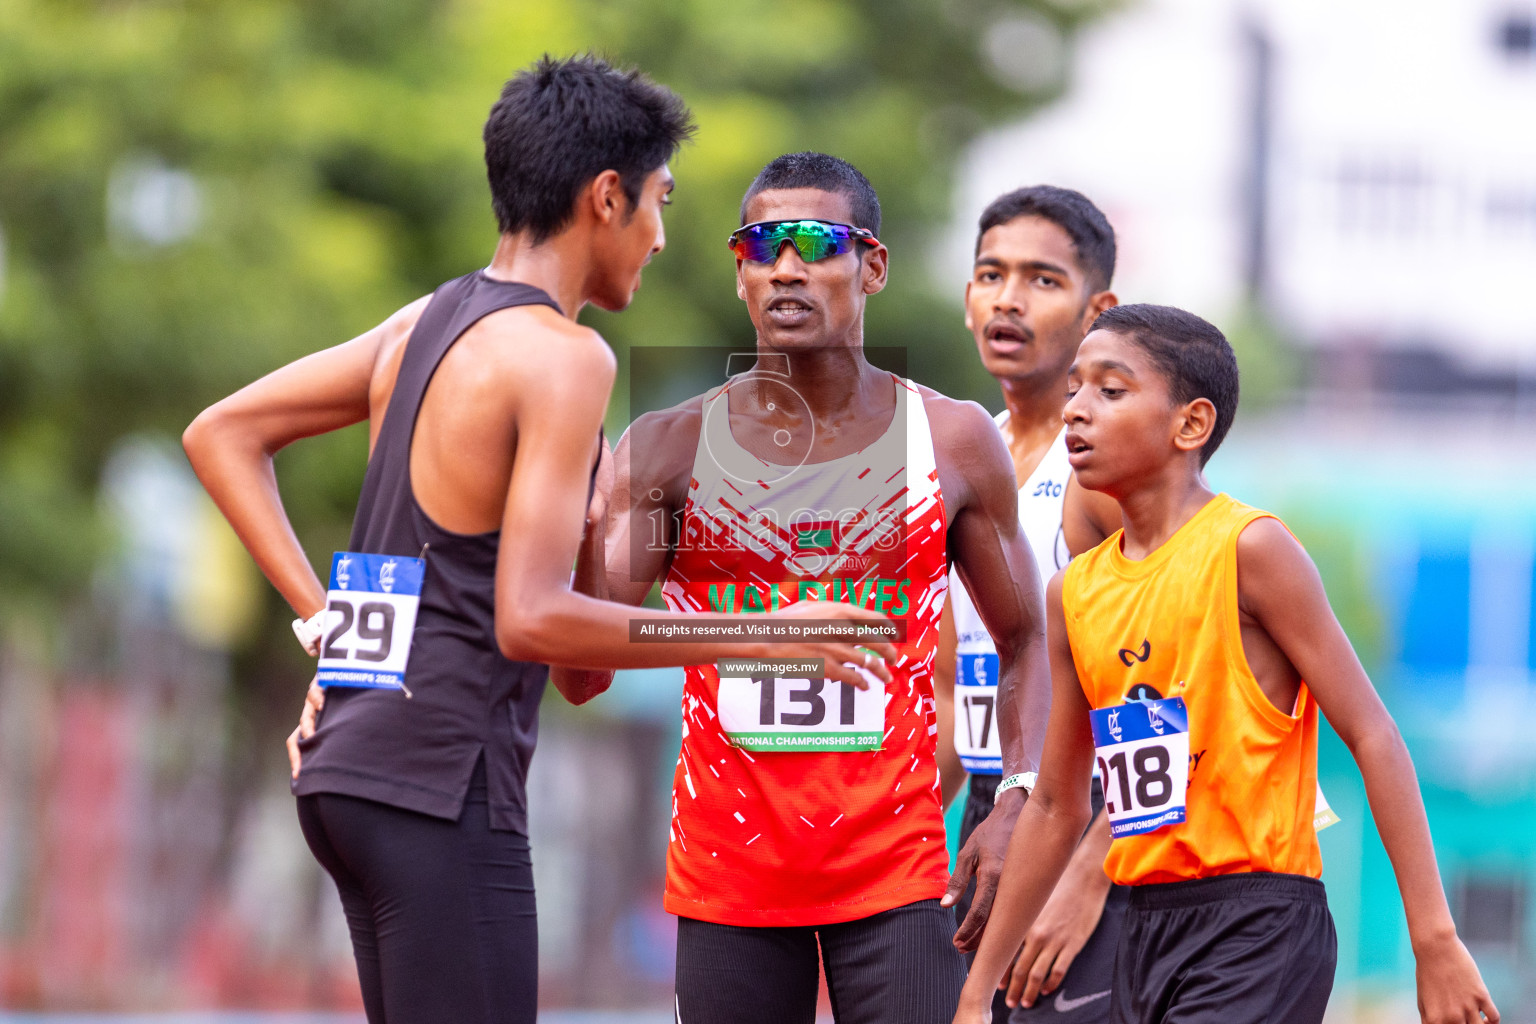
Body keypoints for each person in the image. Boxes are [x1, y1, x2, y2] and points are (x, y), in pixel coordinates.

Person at [183, 60, 891, 1024]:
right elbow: (532, 618)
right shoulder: (564, 358)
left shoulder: (422, 321)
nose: (661, 237)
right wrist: (761, 634)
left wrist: (327, 630)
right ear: (607, 198)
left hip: (349, 774)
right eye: (659, 204)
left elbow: (219, 431)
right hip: (442, 781)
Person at [557, 152, 1053, 1024]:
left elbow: (1027, 640)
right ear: (740, 272)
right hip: (728, 874)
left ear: (873, 266)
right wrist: (587, 519)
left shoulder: (953, 440)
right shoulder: (669, 450)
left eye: (815, 241)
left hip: (895, 868)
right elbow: (580, 670)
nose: (785, 265)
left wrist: (1019, 792)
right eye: (760, 244)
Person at [954, 304, 1500, 1024]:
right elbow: (1058, 804)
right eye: (1075, 390)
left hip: (1258, 920)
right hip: (1144, 926)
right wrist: (975, 993)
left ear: (1191, 425)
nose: (1077, 411)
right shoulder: (1073, 593)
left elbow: (1374, 734)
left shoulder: (1251, 550)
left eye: (1110, 391)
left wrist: (1435, 940)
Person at [931, 186, 1124, 1023]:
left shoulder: (1111, 473)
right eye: (989, 273)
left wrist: (1086, 878)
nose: (1007, 298)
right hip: (992, 808)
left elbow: (1172, 688)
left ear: (1096, 310)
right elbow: (948, 693)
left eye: (1043, 280)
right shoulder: (959, 460)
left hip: (1094, 822)